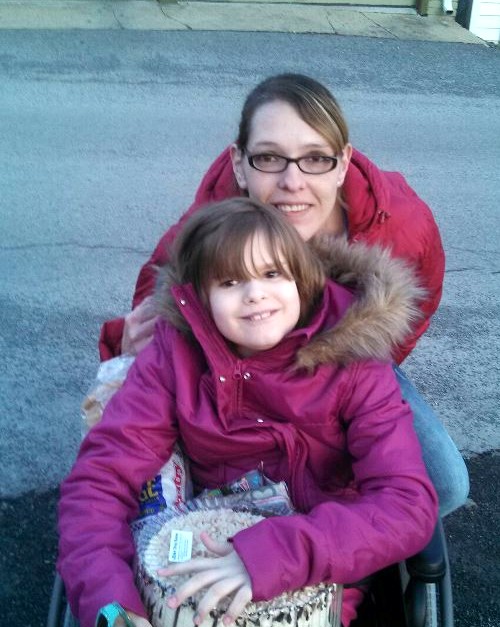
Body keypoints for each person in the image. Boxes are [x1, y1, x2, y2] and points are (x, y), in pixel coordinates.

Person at [59, 198, 438, 627]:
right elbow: (96, 486)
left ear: (304, 279)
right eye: (230, 281)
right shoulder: (172, 360)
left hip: (314, 568)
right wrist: (108, 610)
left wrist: (272, 555)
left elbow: (406, 504)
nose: (255, 295)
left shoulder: (356, 367)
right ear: (199, 297)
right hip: (196, 555)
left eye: (273, 275)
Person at [97, 73, 469, 517]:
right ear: (239, 163)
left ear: (344, 161)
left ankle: (390, 568)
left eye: (315, 158)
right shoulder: (216, 212)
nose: (292, 181)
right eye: (270, 158)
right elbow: (159, 296)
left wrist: (359, 384)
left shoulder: (401, 224)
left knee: (443, 484)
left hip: (343, 358)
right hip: (235, 354)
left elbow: (414, 310)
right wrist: (128, 346)